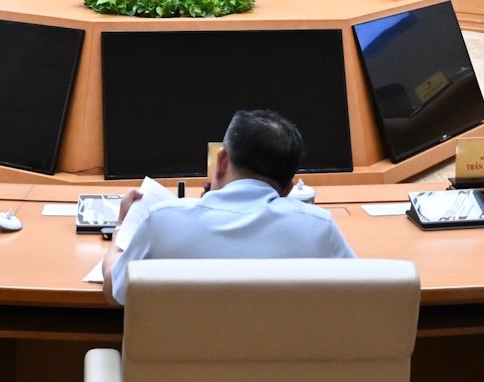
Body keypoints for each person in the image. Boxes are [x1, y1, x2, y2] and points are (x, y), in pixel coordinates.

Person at [104, 109, 351, 306]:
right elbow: (359, 296)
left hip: (185, 358)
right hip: (278, 357)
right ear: (287, 189)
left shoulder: (162, 221)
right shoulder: (320, 229)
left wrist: (121, 230)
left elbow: (116, 292)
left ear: (221, 161)